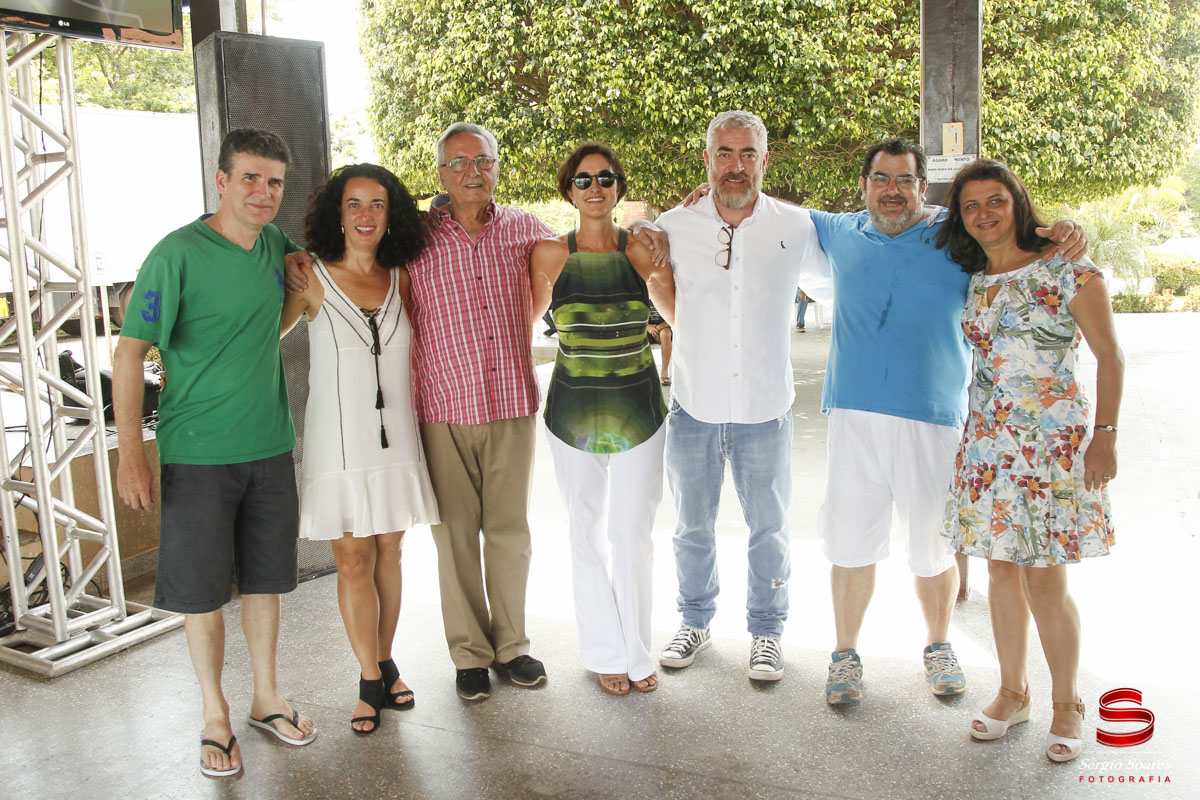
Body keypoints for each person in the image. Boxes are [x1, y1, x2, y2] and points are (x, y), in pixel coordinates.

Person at [285, 122, 667, 701]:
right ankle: (469, 653)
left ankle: (512, 645)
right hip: (440, 406)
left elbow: (585, 242)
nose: (472, 172)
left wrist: (644, 226)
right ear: (440, 173)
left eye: (483, 161)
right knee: (454, 537)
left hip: (511, 401)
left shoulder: (523, 228)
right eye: (459, 163)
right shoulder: (414, 236)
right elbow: (372, 277)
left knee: (510, 533)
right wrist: (302, 260)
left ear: (496, 168)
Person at [806, 140, 1088, 706]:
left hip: (934, 418)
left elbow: (1013, 240)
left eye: (904, 180)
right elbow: (755, 212)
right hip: (854, 414)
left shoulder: (952, 236)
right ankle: (844, 655)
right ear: (862, 186)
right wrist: (697, 201)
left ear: (921, 187)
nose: (892, 190)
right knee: (850, 544)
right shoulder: (834, 230)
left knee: (933, 546)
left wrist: (1067, 230)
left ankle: (937, 645)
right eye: (881, 179)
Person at [113, 128, 316, 779]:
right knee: (201, 593)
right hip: (197, 452)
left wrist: (299, 298)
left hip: (269, 446)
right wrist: (130, 454)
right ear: (222, 180)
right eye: (250, 178)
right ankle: (215, 716)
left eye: (275, 182)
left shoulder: (277, 247)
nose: (264, 193)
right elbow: (127, 352)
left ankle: (266, 698)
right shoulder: (175, 254)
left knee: (265, 582)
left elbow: (275, 318)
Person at [935, 159, 1122, 764]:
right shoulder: (974, 278)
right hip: (989, 445)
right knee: (1000, 574)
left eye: (995, 200)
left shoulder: (1068, 266)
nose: (984, 214)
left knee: (1045, 578)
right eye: (970, 206)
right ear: (961, 218)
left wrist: (1105, 436)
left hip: (1052, 446)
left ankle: (1067, 702)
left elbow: (1111, 358)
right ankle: (1013, 693)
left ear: (1017, 201)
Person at [656, 111, 833, 682]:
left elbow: (875, 237)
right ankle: (695, 620)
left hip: (765, 407)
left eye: (748, 154)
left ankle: (766, 632)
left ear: (764, 160)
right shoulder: (672, 226)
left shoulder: (798, 226)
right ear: (706, 159)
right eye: (725, 153)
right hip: (694, 405)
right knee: (690, 527)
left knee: (771, 529)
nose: (736, 166)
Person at [281, 164, 440, 735]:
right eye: (354, 204)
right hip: (339, 442)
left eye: (377, 204)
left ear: (391, 213)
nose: (366, 215)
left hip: (397, 437)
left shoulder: (405, 275)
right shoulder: (309, 276)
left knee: (391, 553)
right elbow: (258, 334)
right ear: (336, 213)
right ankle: (370, 679)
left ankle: (385, 660)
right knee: (353, 556)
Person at [530, 143, 676, 696]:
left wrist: (656, 270)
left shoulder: (642, 246)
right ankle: (602, 652)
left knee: (632, 532)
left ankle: (637, 650)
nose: (596, 187)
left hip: (638, 405)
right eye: (584, 179)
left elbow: (673, 314)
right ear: (569, 189)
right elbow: (524, 323)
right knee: (584, 530)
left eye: (606, 178)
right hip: (571, 410)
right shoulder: (548, 253)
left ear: (617, 187)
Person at [645, 299, 673, 385]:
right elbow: (634, 317)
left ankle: (664, 372)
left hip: (664, 327)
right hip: (647, 327)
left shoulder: (664, 289)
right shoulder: (641, 292)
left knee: (665, 334)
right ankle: (645, 373)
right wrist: (648, 327)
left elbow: (675, 315)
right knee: (637, 336)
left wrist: (660, 326)